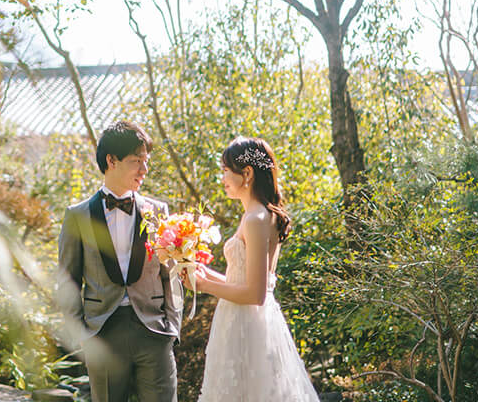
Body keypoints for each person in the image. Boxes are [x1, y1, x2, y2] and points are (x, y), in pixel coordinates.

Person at [57, 120, 182, 402]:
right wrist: (83, 338)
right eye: (137, 161)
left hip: (154, 331)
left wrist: (172, 327)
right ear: (111, 161)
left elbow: (170, 274)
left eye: (146, 161)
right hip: (103, 333)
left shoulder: (158, 211)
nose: (144, 170)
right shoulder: (77, 216)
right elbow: (67, 281)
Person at [188, 137, 318, 402]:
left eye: (226, 170)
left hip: (250, 323)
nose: (222, 177)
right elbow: (241, 281)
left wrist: (205, 286)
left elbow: (255, 294)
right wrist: (200, 271)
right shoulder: (252, 215)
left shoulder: (257, 218)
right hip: (237, 318)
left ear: (246, 173)